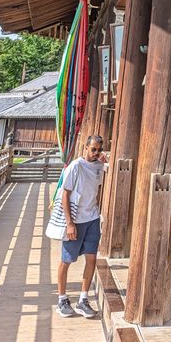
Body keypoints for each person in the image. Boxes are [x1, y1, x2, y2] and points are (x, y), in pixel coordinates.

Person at [56, 134, 107, 319]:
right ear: (85, 148)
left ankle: (83, 299)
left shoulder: (99, 167)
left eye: (99, 150)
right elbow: (65, 195)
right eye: (93, 149)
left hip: (92, 217)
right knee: (67, 259)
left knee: (91, 258)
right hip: (76, 220)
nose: (96, 153)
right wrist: (70, 223)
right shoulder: (75, 167)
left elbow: (98, 189)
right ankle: (62, 299)